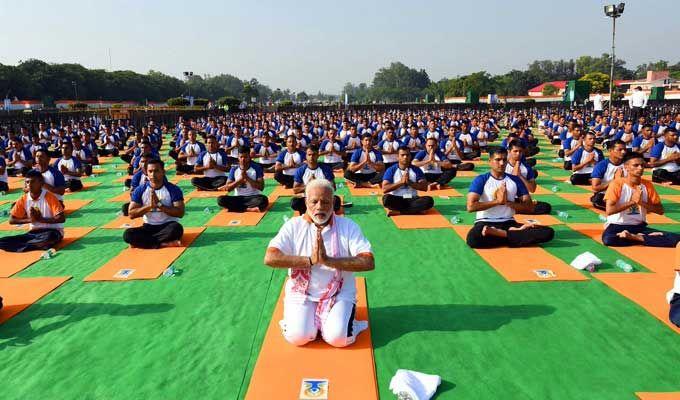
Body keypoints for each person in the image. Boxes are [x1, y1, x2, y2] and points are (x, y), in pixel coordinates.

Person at [263, 178, 374, 347]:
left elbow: (368, 261)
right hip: (302, 292)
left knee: (338, 339)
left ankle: (350, 323)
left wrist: (329, 261)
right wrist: (309, 260)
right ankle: (308, 322)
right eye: (314, 201)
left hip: (339, 292)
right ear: (306, 202)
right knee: (298, 337)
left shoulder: (348, 226)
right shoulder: (293, 226)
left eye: (325, 202)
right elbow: (270, 258)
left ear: (334, 203)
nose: (320, 207)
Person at [465, 148, 554, 248]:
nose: (502, 163)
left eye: (504, 160)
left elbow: (529, 207)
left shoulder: (515, 180)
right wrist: (497, 201)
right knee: (474, 237)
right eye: (498, 160)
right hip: (486, 223)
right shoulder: (481, 179)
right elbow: (470, 207)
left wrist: (507, 202)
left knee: (548, 232)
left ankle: (500, 234)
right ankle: (513, 235)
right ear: (490, 161)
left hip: (509, 222)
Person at [601, 152, 680, 247]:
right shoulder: (617, 184)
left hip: (639, 226)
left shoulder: (647, 185)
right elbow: (609, 211)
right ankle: (645, 238)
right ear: (626, 167)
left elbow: (660, 210)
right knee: (608, 239)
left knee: (676, 238)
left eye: (642, 165)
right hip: (617, 225)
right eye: (636, 165)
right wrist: (632, 202)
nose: (640, 168)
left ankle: (636, 237)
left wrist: (641, 203)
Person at [124, 159, 185, 249]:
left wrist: (160, 205)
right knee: (128, 234)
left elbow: (180, 213)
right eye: (150, 171)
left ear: (163, 172)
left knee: (177, 229)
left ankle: (144, 243)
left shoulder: (173, 189)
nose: (153, 174)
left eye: (156, 171)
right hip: (148, 227)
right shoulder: (140, 190)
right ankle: (162, 244)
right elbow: (131, 214)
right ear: (146, 173)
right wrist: (150, 206)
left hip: (167, 225)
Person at [0, 170, 64, 252]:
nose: (29, 185)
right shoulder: (24, 199)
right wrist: (30, 220)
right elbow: (12, 220)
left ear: (41, 183)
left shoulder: (50, 197)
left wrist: (41, 219)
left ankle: (30, 245)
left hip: (52, 231)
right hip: (33, 234)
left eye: (33, 182)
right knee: (2, 241)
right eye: (27, 182)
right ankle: (38, 245)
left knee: (50, 236)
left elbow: (61, 218)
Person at [381, 147, 433, 215]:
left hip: (412, 198)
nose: (405, 157)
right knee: (386, 199)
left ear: (410, 156)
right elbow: (384, 189)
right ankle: (416, 210)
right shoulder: (391, 170)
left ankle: (399, 212)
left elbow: (424, 187)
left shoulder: (416, 170)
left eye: (407, 155)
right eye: (402, 155)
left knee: (429, 201)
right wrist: (401, 182)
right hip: (397, 198)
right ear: (398, 156)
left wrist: (409, 182)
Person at [216, 146, 269, 212]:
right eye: (241, 157)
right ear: (238, 157)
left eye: (245, 157)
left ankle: (236, 208)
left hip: (252, 197)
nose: (243, 159)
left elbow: (261, 187)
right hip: (238, 198)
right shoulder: (234, 169)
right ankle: (248, 209)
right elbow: (228, 188)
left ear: (249, 157)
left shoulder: (256, 168)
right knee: (220, 200)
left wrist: (247, 178)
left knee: (264, 200)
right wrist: (239, 181)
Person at [291, 145, 340, 214]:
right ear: (306, 156)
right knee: (294, 202)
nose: (311, 157)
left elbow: (333, 187)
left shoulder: (326, 169)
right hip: (308, 198)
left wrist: (317, 184)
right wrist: (309, 185)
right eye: (309, 155)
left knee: (337, 201)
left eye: (314, 155)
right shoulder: (301, 170)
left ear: (318, 156)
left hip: (323, 198)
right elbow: (295, 190)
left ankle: (315, 209)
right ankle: (309, 209)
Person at [506, 140, 551, 215]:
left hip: (522, 199)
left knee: (546, 207)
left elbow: (532, 189)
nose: (518, 154)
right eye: (515, 151)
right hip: (506, 199)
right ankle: (518, 208)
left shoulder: (526, 168)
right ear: (509, 151)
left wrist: (520, 176)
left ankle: (516, 209)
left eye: (520, 151)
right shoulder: (503, 165)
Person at [590, 140, 627, 210]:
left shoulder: (628, 164)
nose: (623, 152)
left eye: (625, 149)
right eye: (620, 150)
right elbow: (595, 188)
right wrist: (615, 181)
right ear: (610, 150)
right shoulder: (601, 165)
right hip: (606, 194)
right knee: (598, 200)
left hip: (624, 194)